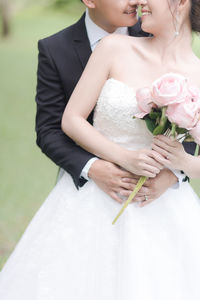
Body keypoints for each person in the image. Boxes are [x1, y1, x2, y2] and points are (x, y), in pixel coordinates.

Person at [0, 1, 200, 300]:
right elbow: (64, 122)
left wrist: (177, 166)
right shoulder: (113, 47)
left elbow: (189, 150)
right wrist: (121, 160)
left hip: (164, 206)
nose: (139, 1)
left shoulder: (194, 69)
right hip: (91, 200)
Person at [35, 0, 184, 205]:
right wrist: (94, 168)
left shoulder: (153, 33)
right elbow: (48, 131)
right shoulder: (55, 49)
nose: (135, 1)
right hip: (88, 191)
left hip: (154, 194)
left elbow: (187, 113)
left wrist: (171, 175)